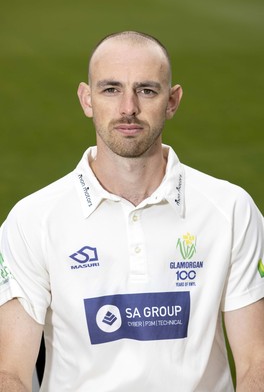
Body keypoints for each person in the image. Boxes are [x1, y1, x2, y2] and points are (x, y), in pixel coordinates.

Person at [0, 30, 263, 392]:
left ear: (172, 101)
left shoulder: (231, 209)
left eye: (146, 90)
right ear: (86, 99)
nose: (128, 108)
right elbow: (9, 372)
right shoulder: (32, 219)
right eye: (111, 89)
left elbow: (257, 361)